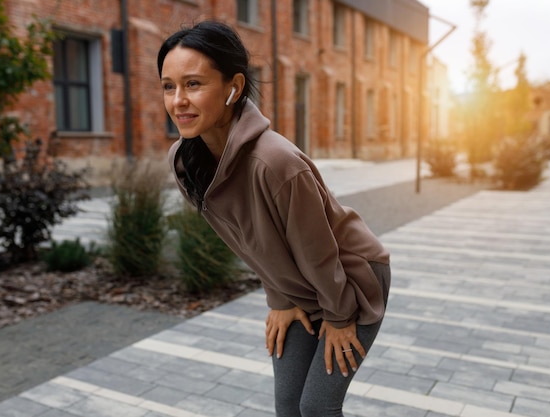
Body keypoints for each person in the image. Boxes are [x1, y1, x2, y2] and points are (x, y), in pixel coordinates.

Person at [157, 20, 390, 417]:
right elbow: (249, 241)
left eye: (193, 84)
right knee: (288, 407)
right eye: (168, 86)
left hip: (350, 279)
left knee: (316, 406)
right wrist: (278, 297)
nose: (178, 100)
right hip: (300, 286)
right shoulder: (184, 161)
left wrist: (339, 317)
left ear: (233, 86)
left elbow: (318, 251)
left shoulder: (276, 162)